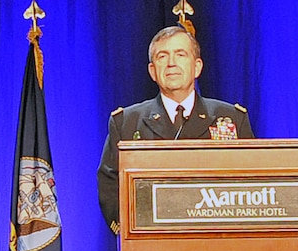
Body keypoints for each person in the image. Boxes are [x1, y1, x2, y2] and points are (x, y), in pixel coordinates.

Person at [97, 25, 254, 232]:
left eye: (180, 54)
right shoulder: (126, 122)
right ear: (152, 71)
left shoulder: (231, 118)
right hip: (151, 245)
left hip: (218, 242)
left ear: (197, 67)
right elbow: (110, 185)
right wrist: (130, 231)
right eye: (163, 56)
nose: (171, 63)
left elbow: (251, 182)